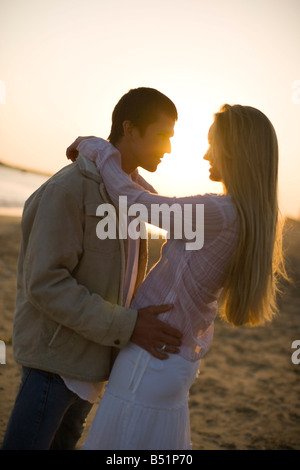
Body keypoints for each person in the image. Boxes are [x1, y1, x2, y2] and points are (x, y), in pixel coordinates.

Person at [70, 104, 287, 450]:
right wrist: (128, 172)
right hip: (173, 362)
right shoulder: (237, 214)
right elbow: (155, 204)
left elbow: (134, 203)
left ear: (233, 150)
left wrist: (97, 149)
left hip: (150, 360)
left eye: (212, 144)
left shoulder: (217, 212)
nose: (205, 154)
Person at [1, 87, 183, 450]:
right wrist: (129, 325)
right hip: (53, 366)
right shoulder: (69, 189)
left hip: (95, 367)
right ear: (130, 129)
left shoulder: (131, 198)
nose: (169, 148)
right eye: (162, 135)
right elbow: (45, 284)